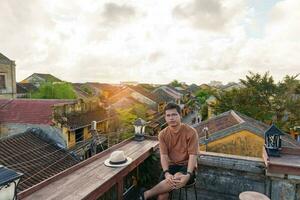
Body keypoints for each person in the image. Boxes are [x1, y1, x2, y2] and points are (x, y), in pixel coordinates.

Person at [139, 102, 199, 200]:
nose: (171, 118)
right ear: (165, 118)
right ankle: (145, 195)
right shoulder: (162, 134)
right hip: (171, 166)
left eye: (174, 114)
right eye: (168, 115)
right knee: (163, 194)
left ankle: (145, 195)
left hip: (187, 166)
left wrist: (188, 175)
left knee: (177, 177)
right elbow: (164, 155)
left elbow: (193, 155)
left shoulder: (191, 132)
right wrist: (166, 173)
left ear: (180, 115)